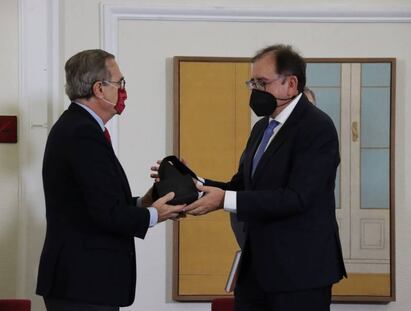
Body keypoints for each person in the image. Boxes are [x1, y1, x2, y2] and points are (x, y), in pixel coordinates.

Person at [183, 44, 347, 311]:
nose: (255, 91)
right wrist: (198, 183)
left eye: (262, 82)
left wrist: (224, 200)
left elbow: (297, 198)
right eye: (252, 82)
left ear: (291, 84)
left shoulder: (317, 127)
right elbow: (242, 186)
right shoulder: (262, 128)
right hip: (256, 271)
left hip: (299, 273)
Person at [36, 49, 184, 311]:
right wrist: (154, 214)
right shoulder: (81, 132)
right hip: (83, 284)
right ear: (99, 89)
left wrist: (148, 199)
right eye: (120, 83)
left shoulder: (81, 127)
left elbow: (98, 201)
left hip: (85, 284)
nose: (123, 91)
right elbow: (105, 213)